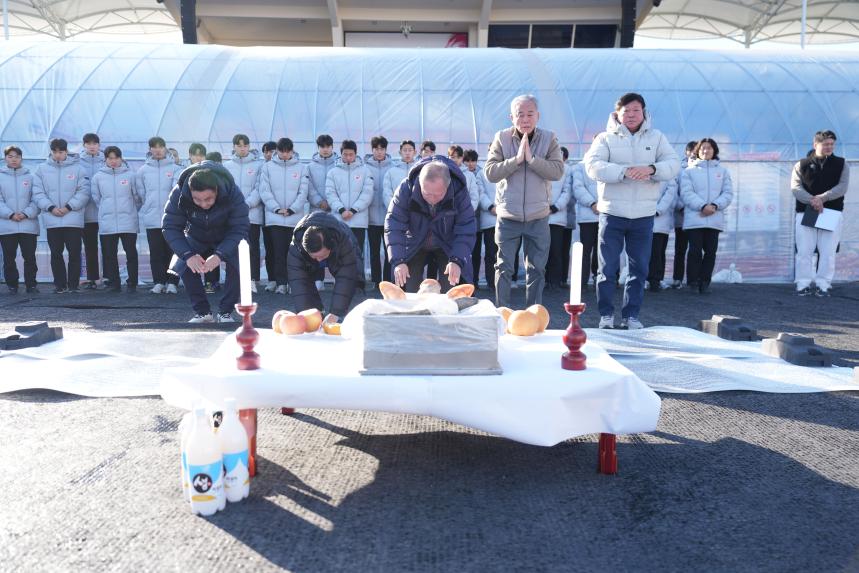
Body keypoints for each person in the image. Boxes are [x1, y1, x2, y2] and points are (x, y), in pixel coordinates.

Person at [583, 92, 680, 329]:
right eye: (626, 111)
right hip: (612, 213)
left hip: (643, 215)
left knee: (639, 269)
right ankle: (606, 315)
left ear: (644, 112)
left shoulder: (657, 138)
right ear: (618, 114)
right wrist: (623, 171)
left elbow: (673, 164)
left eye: (636, 110)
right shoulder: (605, 138)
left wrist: (651, 168)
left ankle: (631, 316)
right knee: (607, 268)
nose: (631, 115)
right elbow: (592, 166)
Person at [484, 94, 565, 308]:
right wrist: (517, 160)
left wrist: (532, 160)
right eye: (520, 114)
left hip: (538, 216)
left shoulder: (549, 138)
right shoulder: (501, 138)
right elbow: (490, 173)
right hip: (508, 216)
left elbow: (557, 171)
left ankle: (534, 315)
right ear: (511, 117)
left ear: (538, 116)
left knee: (537, 269)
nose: (525, 119)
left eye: (530, 114)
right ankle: (502, 313)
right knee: (504, 267)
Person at [162, 162, 250, 323]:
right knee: (183, 262)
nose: (203, 204)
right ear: (190, 192)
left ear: (217, 190)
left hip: (226, 236)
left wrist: (220, 255)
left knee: (240, 263)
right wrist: (188, 255)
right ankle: (202, 312)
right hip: (196, 235)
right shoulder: (179, 193)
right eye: (197, 200)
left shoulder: (232, 192)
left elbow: (240, 227)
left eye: (208, 199)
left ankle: (226, 311)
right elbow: (170, 227)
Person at [386, 157, 476, 293]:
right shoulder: (406, 188)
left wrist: (457, 260)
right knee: (409, 288)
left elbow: (466, 229)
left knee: (451, 289)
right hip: (415, 242)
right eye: (427, 193)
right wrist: (398, 261)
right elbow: (394, 224)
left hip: (447, 244)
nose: (432, 199)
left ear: (448, 186)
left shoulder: (459, 192)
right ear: (420, 184)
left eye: (438, 194)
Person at [791, 129, 849, 297]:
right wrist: (813, 201)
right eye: (825, 144)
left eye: (831, 144)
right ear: (815, 144)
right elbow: (795, 188)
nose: (829, 147)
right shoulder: (801, 164)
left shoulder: (841, 164)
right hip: (807, 211)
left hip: (831, 212)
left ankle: (823, 284)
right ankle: (803, 284)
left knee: (828, 251)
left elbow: (842, 187)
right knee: (804, 250)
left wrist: (821, 199)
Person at [32, 138, 91, 294]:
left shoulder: (79, 169)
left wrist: (68, 207)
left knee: (74, 253)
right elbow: (38, 193)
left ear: (66, 151)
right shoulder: (41, 169)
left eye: (61, 152)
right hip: (52, 219)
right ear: (51, 152)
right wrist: (51, 207)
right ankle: (60, 285)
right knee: (56, 254)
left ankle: (73, 285)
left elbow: (84, 192)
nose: (58, 155)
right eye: (55, 152)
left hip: (73, 219)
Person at [287, 211, 363, 323]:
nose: (318, 260)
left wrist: (335, 313)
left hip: (343, 245)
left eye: (322, 256)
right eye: (314, 257)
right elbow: (299, 284)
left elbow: (346, 278)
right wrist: (308, 316)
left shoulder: (343, 240)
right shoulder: (296, 247)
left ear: (330, 245)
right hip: (307, 254)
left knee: (353, 285)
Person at [680, 138, 733, 295]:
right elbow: (686, 193)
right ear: (698, 150)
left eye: (709, 148)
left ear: (714, 151)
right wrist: (702, 206)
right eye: (703, 148)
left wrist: (715, 206)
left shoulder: (722, 172)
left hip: (714, 218)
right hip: (695, 218)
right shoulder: (688, 171)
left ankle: (705, 281)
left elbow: (728, 193)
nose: (706, 150)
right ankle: (693, 281)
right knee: (695, 250)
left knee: (711, 252)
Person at [258, 137, 309, 294]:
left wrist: (293, 209)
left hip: (295, 218)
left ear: (292, 151)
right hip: (275, 218)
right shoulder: (267, 168)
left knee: (295, 253)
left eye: (288, 151)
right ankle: (281, 283)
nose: (285, 155)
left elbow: (303, 191)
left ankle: (294, 283)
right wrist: (276, 208)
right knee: (278, 252)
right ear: (277, 151)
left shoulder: (301, 168)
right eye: (282, 151)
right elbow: (264, 190)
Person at [91, 146, 141, 292]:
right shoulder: (98, 177)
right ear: (105, 159)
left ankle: (132, 282)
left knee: (131, 252)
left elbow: (137, 198)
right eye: (110, 158)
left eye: (116, 158)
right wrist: (107, 211)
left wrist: (129, 211)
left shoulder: (131, 175)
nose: (113, 161)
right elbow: (97, 198)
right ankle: (114, 283)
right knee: (109, 254)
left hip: (128, 221)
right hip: (107, 222)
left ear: (121, 158)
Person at [137, 136, 180, 294]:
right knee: (156, 252)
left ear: (165, 148)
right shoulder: (143, 171)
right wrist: (149, 205)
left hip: (172, 219)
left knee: (173, 252)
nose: (157, 150)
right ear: (150, 150)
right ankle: (159, 282)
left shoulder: (175, 169)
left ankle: (173, 282)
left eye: (160, 147)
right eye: (154, 147)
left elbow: (178, 192)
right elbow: (141, 193)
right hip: (152, 218)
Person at [224, 133, 264, 293]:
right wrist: (234, 205)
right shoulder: (227, 166)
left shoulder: (258, 166)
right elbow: (225, 188)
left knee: (252, 248)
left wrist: (246, 204)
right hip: (232, 215)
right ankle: (232, 280)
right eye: (239, 145)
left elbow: (259, 188)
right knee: (231, 247)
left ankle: (252, 280)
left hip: (251, 214)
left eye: (245, 145)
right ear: (234, 147)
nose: (242, 148)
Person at [325, 139, 374, 267]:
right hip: (339, 219)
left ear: (355, 154)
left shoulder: (365, 171)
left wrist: (353, 210)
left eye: (351, 154)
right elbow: (330, 193)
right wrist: (341, 210)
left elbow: (367, 193)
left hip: (358, 220)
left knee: (357, 252)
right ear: (341, 154)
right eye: (345, 154)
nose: (348, 157)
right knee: (338, 251)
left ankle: (357, 283)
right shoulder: (333, 172)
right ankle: (340, 282)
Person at [0, 146, 39, 294]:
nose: (13, 159)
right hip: (6, 226)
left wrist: (25, 214)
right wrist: (10, 214)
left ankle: (31, 285)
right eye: (10, 156)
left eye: (16, 156)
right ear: (5, 158)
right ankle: (12, 285)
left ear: (21, 158)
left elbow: (37, 199)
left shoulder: (31, 177)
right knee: (9, 258)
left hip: (28, 224)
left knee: (29, 257)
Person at [464, 149, 497, 290]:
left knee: (488, 252)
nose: (470, 164)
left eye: (473, 160)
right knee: (472, 253)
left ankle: (488, 281)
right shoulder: (463, 175)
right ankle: (472, 281)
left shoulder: (483, 173)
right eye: (467, 160)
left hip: (484, 219)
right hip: (471, 221)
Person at [365, 136, 393, 287]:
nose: (379, 151)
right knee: (374, 251)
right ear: (372, 150)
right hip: (371, 216)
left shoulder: (393, 167)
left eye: (382, 148)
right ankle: (376, 280)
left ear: (386, 150)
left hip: (389, 217)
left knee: (389, 250)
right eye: (376, 148)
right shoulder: (365, 167)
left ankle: (387, 280)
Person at [545, 146, 573, 291]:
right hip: (539, 216)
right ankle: (542, 281)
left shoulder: (566, 170)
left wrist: (556, 207)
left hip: (557, 218)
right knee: (541, 251)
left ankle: (554, 281)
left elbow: (567, 191)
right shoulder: (541, 166)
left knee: (556, 250)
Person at [671, 140, 697, 289]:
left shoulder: (703, 169)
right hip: (682, 216)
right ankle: (677, 278)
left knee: (695, 248)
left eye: (696, 151)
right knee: (680, 249)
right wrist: (682, 206)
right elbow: (675, 191)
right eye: (691, 151)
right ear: (686, 152)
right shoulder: (679, 170)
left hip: (697, 216)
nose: (694, 154)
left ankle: (693, 278)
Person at [79, 133, 103, 289]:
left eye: (95, 143)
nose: (92, 146)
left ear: (99, 145)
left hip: (105, 213)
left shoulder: (107, 160)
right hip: (86, 214)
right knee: (90, 247)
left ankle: (109, 277)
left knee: (109, 248)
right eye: (88, 143)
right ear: (84, 145)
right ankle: (92, 278)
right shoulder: (78, 163)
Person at [646, 179, 678, 293]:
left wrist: (658, 210)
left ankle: (656, 280)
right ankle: (645, 279)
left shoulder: (668, 175)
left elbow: (670, 194)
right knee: (642, 252)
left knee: (658, 252)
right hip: (642, 218)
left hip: (661, 221)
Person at [572, 160, 599, 291]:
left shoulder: (609, 162)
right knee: (585, 251)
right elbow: (578, 188)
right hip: (587, 217)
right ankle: (582, 280)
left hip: (606, 216)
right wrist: (592, 203)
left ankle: (599, 278)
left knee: (603, 251)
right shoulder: (580, 166)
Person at [260, 140, 278, 292]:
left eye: (272, 151)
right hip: (265, 216)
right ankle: (272, 279)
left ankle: (282, 280)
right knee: (270, 248)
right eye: (267, 152)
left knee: (282, 249)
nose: (269, 154)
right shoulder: (261, 168)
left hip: (282, 215)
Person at [308, 134, 337, 214]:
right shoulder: (310, 167)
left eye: (328, 147)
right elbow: (309, 187)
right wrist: (319, 202)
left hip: (336, 210)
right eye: (322, 147)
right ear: (318, 148)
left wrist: (333, 202)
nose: (325, 150)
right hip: (316, 211)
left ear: (332, 147)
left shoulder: (339, 165)